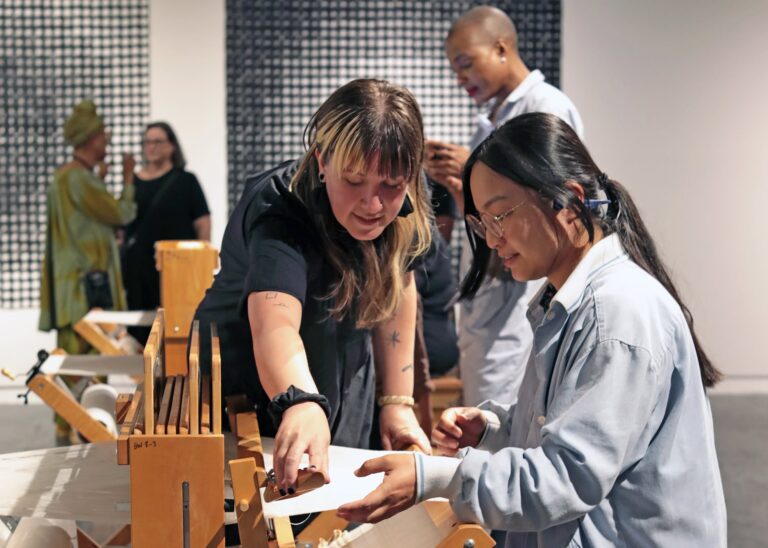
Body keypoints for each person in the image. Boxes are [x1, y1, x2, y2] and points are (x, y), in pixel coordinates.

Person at [338, 113, 727, 547]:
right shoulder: (571, 301)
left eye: (501, 215)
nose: (491, 239)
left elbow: (567, 477)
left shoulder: (617, 313)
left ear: (569, 200)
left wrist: (435, 477)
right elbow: (563, 428)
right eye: (483, 223)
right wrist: (491, 429)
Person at [193, 79, 433, 494]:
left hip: (341, 356)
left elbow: (398, 287)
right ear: (322, 160)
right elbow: (275, 323)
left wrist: (397, 404)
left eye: (391, 186)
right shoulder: (278, 207)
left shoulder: (403, 194)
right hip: (246, 387)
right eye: (354, 180)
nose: (373, 205)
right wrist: (300, 401)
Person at [425, 6, 584, 405]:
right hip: (494, 287)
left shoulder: (547, 108)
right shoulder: (493, 119)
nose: (461, 78)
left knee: (506, 420)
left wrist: (471, 171)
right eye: (455, 69)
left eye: (465, 63)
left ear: (500, 48)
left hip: (521, 292)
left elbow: (550, 203)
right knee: (490, 416)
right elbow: (492, 217)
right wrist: (462, 186)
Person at [39, 99, 137, 355]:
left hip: (71, 287)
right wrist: (128, 180)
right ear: (91, 139)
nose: (107, 143)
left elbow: (85, 222)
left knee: (76, 367)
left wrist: (99, 181)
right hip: (87, 290)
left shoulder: (65, 177)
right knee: (91, 367)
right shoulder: (79, 179)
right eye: (103, 137)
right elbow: (122, 213)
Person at [122, 122, 210, 343]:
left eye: (158, 141)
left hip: (179, 270)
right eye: (147, 142)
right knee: (142, 332)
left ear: (172, 146)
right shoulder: (133, 182)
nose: (151, 147)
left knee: (179, 330)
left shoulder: (186, 181)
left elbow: (203, 223)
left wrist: (201, 264)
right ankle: (144, 376)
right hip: (139, 272)